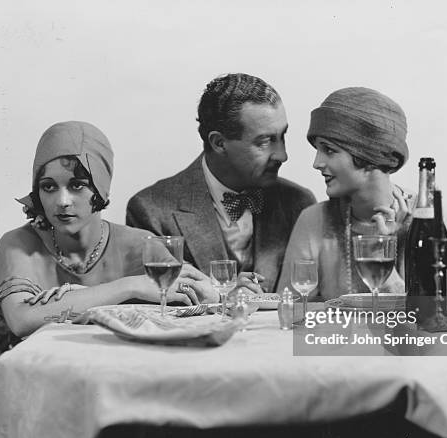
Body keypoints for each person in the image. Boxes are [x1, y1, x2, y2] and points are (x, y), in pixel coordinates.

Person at [0, 121, 218, 386]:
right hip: (36, 385)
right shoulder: (18, 243)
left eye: (77, 185)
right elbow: (22, 320)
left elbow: (200, 302)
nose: (62, 201)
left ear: (100, 188)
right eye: (49, 187)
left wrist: (216, 289)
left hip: (126, 383)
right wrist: (130, 286)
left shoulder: (141, 243)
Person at [126, 73, 316, 293]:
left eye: (282, 136)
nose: (282, 155)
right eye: (265, 141)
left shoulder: (298, 204)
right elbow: (159, 304)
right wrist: (220, 297)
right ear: (219, 143)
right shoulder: (151, 210)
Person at [278, 87, 415, 300]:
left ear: (369, 155)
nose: (317, 163)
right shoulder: (314, 220)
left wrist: (381, 252)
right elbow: (289, 311)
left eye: (329, 150)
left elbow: (430, 320)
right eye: (318, 150)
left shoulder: (430, 218)